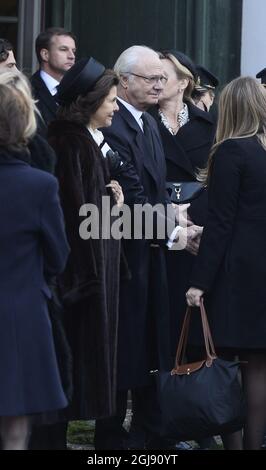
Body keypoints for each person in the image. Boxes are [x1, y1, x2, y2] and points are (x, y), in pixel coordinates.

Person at [94, 45, 201, 450]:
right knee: (124, 344)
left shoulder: (148, 123)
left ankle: (149, 429)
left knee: (149, 340)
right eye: (150, 78)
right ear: (124, 82)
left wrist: (175, 214)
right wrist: (173, 226)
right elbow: (130, 203)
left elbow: (152, 192)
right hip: (123, 254)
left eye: (161, 78)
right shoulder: (114, 126)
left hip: (149, 251)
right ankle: (111, 433)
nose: (159, 85)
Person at [46, 57, 123, 448]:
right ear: (91, 102)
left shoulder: (85, 142)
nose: (115, 107)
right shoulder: (70, 144)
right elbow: (73, 217)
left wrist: (113, 202)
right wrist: (85, 282)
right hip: (80, 282)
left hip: (92, 277)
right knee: (65, 382)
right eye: (110, 100)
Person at [186, 76, 266, 450]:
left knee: (226, 365)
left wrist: (200, 281)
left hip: (237, 274)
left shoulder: (232, 151)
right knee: (258, 366)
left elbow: (220, 224)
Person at [0, 71, 70, 450]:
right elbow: (59, 257)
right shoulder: (39, 185)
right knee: (15, 430)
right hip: (22, 314)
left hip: (21, 311)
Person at [30, 28, 76, 133]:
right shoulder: (28, 91)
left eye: (73, 51)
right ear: (45, 54)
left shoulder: (78, 90)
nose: (71, 56)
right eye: (63, 49)